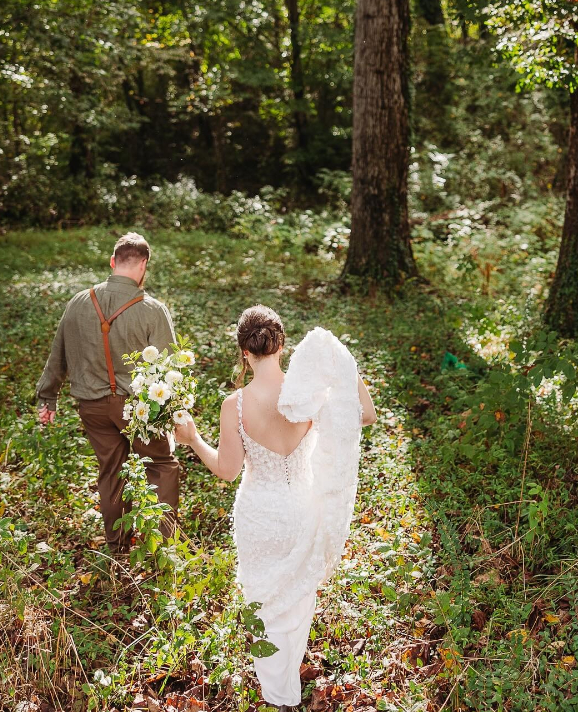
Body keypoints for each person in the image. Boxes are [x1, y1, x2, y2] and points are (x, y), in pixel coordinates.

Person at [174, 304, 377, 711]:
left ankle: (278, 694)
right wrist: (342, 366)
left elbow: (228, 471)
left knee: (264, 604)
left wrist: (194, 439)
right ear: (281, 346)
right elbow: (366, 415)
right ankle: (286, 688)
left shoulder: (234, 405)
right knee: (297, 601)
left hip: (260, 515)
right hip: (303, 508)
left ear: (244, 353)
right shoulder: (309, 395)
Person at [35, 231, 180, 549]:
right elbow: (171, 370)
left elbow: (57, 354)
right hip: (138, 410)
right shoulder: (152, 309)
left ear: (113, 262)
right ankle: (163, 549)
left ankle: (117, 549)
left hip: (92, 407)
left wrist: (48, 397)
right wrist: (176, 413)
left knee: (111, 473)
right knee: (161, 467)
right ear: (143, 265)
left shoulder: (78, 302)